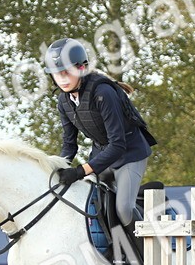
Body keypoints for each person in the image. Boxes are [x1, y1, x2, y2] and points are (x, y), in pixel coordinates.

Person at [44, 38, 153, 238]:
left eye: (67, 72)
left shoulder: (103, 93)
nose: (63, 79)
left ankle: (149, 255)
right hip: (102, 156)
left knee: (123, 210)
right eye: (57, 74)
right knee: (88, 202)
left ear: (82, 68)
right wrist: (59, 168)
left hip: (129, 154)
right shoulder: (63, 101)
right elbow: (69, 144)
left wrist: (80, 171)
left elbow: (118, 145)